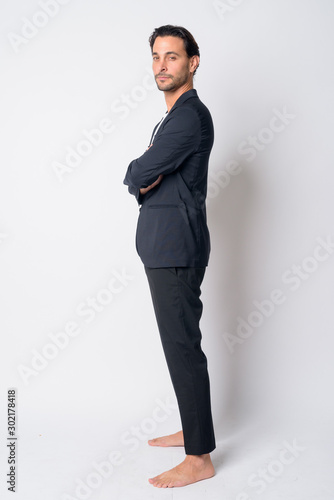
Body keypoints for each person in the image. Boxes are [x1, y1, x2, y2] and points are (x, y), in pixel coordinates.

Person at [123, 25, 216, 488]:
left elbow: (141, 170)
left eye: (173, 57)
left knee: (182, 347)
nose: (162, 65)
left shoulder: (187, 117)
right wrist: (145, 171)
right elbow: (147, 173)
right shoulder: (173, 117)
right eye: (157, 57)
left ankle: (199, 457)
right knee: (178, 345)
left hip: (176, 245)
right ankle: (192, 428)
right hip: (165, 244)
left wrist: (141, 169)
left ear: (192, 62)